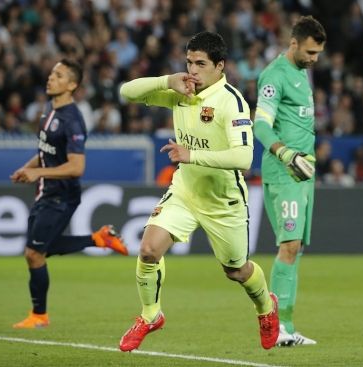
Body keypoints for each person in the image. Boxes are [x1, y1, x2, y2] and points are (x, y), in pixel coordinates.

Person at [118, 31, 279, 351]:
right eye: (189, 62)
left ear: (220, 66)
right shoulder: (181, 89)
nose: (192, 70)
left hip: (224, 200)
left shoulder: (231, 101)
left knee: (236, 270)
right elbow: (127, 93)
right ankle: (151, 315)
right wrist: (168, 80)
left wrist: (191, 155)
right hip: (185, 190)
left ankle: (266, 307)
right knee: (149, 250)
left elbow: (244, 157)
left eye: (200, 64)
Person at [10, 59, 129, 329]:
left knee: (34, 253)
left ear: (72, 85)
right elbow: (45, 151)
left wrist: (38, 173)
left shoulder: (73, 121)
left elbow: (77, 167)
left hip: (61, 196)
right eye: (52, 72)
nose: (51, 77)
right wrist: (26, 168)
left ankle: (39, 316)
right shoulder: (49, 109)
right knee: (41, 249)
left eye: (59, 75)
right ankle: (99, 238)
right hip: (46, 191)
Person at [254, 15, 326, 347]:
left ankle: (288, 326)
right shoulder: (275, 75)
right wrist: (286, 154)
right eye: (310, 52)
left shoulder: (300, 73)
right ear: (294, 43)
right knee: (289, 247)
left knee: (295, 251)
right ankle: (276, 326)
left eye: (318, 54)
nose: (315, 59)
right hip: (284, 173)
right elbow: (261, 125)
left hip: (303, 175)